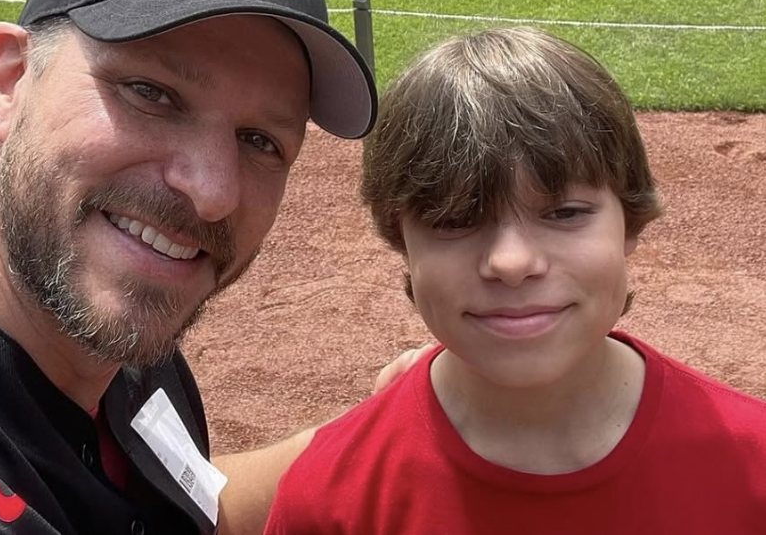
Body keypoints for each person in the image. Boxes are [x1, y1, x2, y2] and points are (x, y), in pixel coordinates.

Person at [0, 0, 377, 535]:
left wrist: (400, 422)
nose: (212, 193)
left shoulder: (122, 342)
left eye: (260, 140)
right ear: (9, 83)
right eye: (150, 93)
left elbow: (197, 500)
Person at [264, 28, 766, 534]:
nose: (511, 261)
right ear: (402, 243)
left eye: (565, 213)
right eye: (454, 220)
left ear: (630, 224)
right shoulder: (327, 502)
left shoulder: (753, 464)